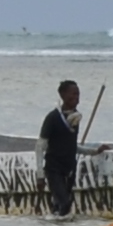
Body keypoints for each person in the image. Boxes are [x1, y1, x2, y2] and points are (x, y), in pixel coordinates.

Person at [37, 78, 84, 216]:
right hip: (54, 169)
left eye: (78, 94)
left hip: (69, 168)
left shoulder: (75, 118)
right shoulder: (52, 118)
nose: (76, 98)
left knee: (61, 206)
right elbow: (40, 147)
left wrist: (94, 151)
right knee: (65, 204)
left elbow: (72, 146)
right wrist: (40, 176)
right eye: (72, 94)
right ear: (62, 95)